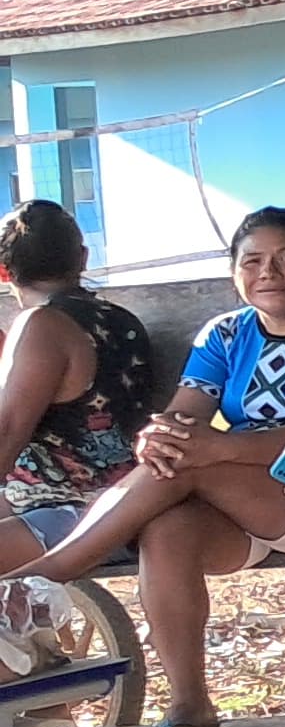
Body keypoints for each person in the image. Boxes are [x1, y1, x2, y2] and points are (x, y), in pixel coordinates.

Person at [0, 209, 285, 727]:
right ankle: (189, 701)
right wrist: (157, 437)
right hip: (246, 500)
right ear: (234, 273)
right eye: (252, 261)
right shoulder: (226, 333)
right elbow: (184, 414)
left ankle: (32, 582)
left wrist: (219, 447)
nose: (269, 272)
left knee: (191, 464)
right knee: (169, 526)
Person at [0, 201, 157, 549]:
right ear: (83, 258)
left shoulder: (39, 325)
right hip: (124, 494)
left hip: (66, 508)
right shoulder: (120, 319)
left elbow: (7, 432)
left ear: (4, 272)